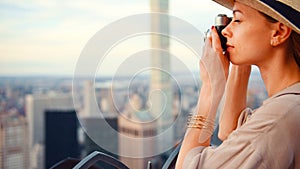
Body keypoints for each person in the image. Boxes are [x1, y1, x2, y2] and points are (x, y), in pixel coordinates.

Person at [175, 0, 300, 168]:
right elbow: (229, 131)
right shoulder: (290, 104)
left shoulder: (276, 119)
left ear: (279, 32)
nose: (226, 31)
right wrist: (240, 63)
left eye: (237, 20)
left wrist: (210, 88)